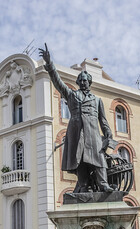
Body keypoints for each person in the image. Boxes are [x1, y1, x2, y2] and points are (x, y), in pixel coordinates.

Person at [39, 43, 114, 193]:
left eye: (86, 80)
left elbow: (103, 120)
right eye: (81, 80)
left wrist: (108, 135)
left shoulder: (97, 100)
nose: (83, 82)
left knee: (98, 160)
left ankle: (103, 184)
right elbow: (58, 83)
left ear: (90, 82)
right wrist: (50, 64)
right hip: (76, 132)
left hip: (93, 134)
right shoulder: (72, 95)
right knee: (80, 160)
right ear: (78, 82)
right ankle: (83, 184)